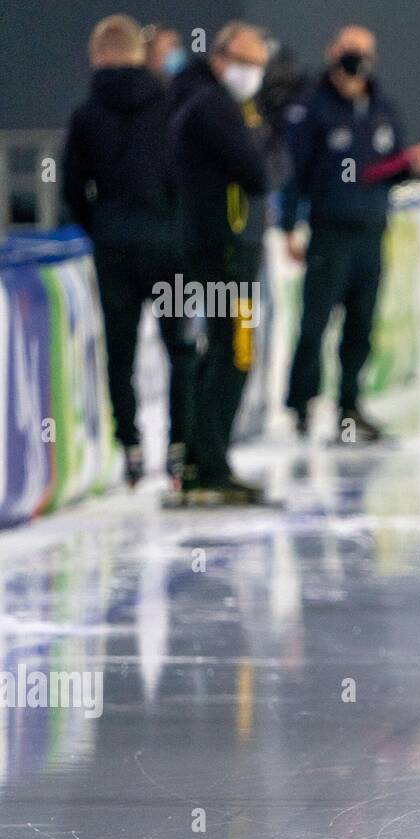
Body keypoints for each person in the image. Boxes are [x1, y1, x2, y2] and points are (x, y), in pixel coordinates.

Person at [280, 25, 420, 442]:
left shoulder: (382, 109)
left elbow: (388, 170)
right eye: (348, 49)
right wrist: (288, 226)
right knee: (316, 323)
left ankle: (349, 405)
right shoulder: (310, 109)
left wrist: (416, 166)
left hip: (371, 232)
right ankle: (301, 404)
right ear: (331, 51)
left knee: (361, 324)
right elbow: (293, 174)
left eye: (363, 51)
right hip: (329, 232)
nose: (355, 57)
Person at [62, 13, 194, 488]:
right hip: (169, 247)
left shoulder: (85, 114)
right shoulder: (171, 104)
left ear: (98, 56)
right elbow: (186, 176)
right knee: (180, 347)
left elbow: (73, 188)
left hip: (114, 247)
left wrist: (100, 227)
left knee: (120, 353)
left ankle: (132, 450)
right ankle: (181, 451)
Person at [167, 21, 272, 505]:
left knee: (221, 352)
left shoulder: (215, 104)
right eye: (247, 63)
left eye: (260, 65)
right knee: (233, 353)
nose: (254, 73)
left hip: (220, 249)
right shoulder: (212, 106)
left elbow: (265, 167)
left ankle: (202, 461)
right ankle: (209, 465)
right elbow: (258, 170)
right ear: (222, 58)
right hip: (225, 253)